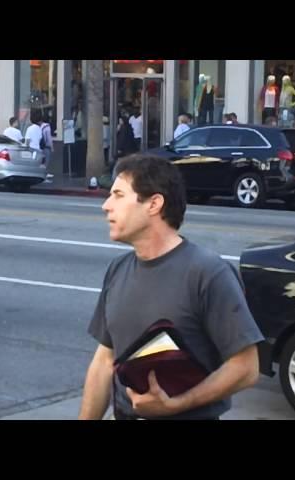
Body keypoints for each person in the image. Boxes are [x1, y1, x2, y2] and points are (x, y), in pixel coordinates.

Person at [79, 154, 264, 420]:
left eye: (118, 195)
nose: (106, 206)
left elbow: (246, 368)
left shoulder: (208, 272)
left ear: (154, 204)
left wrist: (176, 405)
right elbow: (104, 362)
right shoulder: (117, 270)